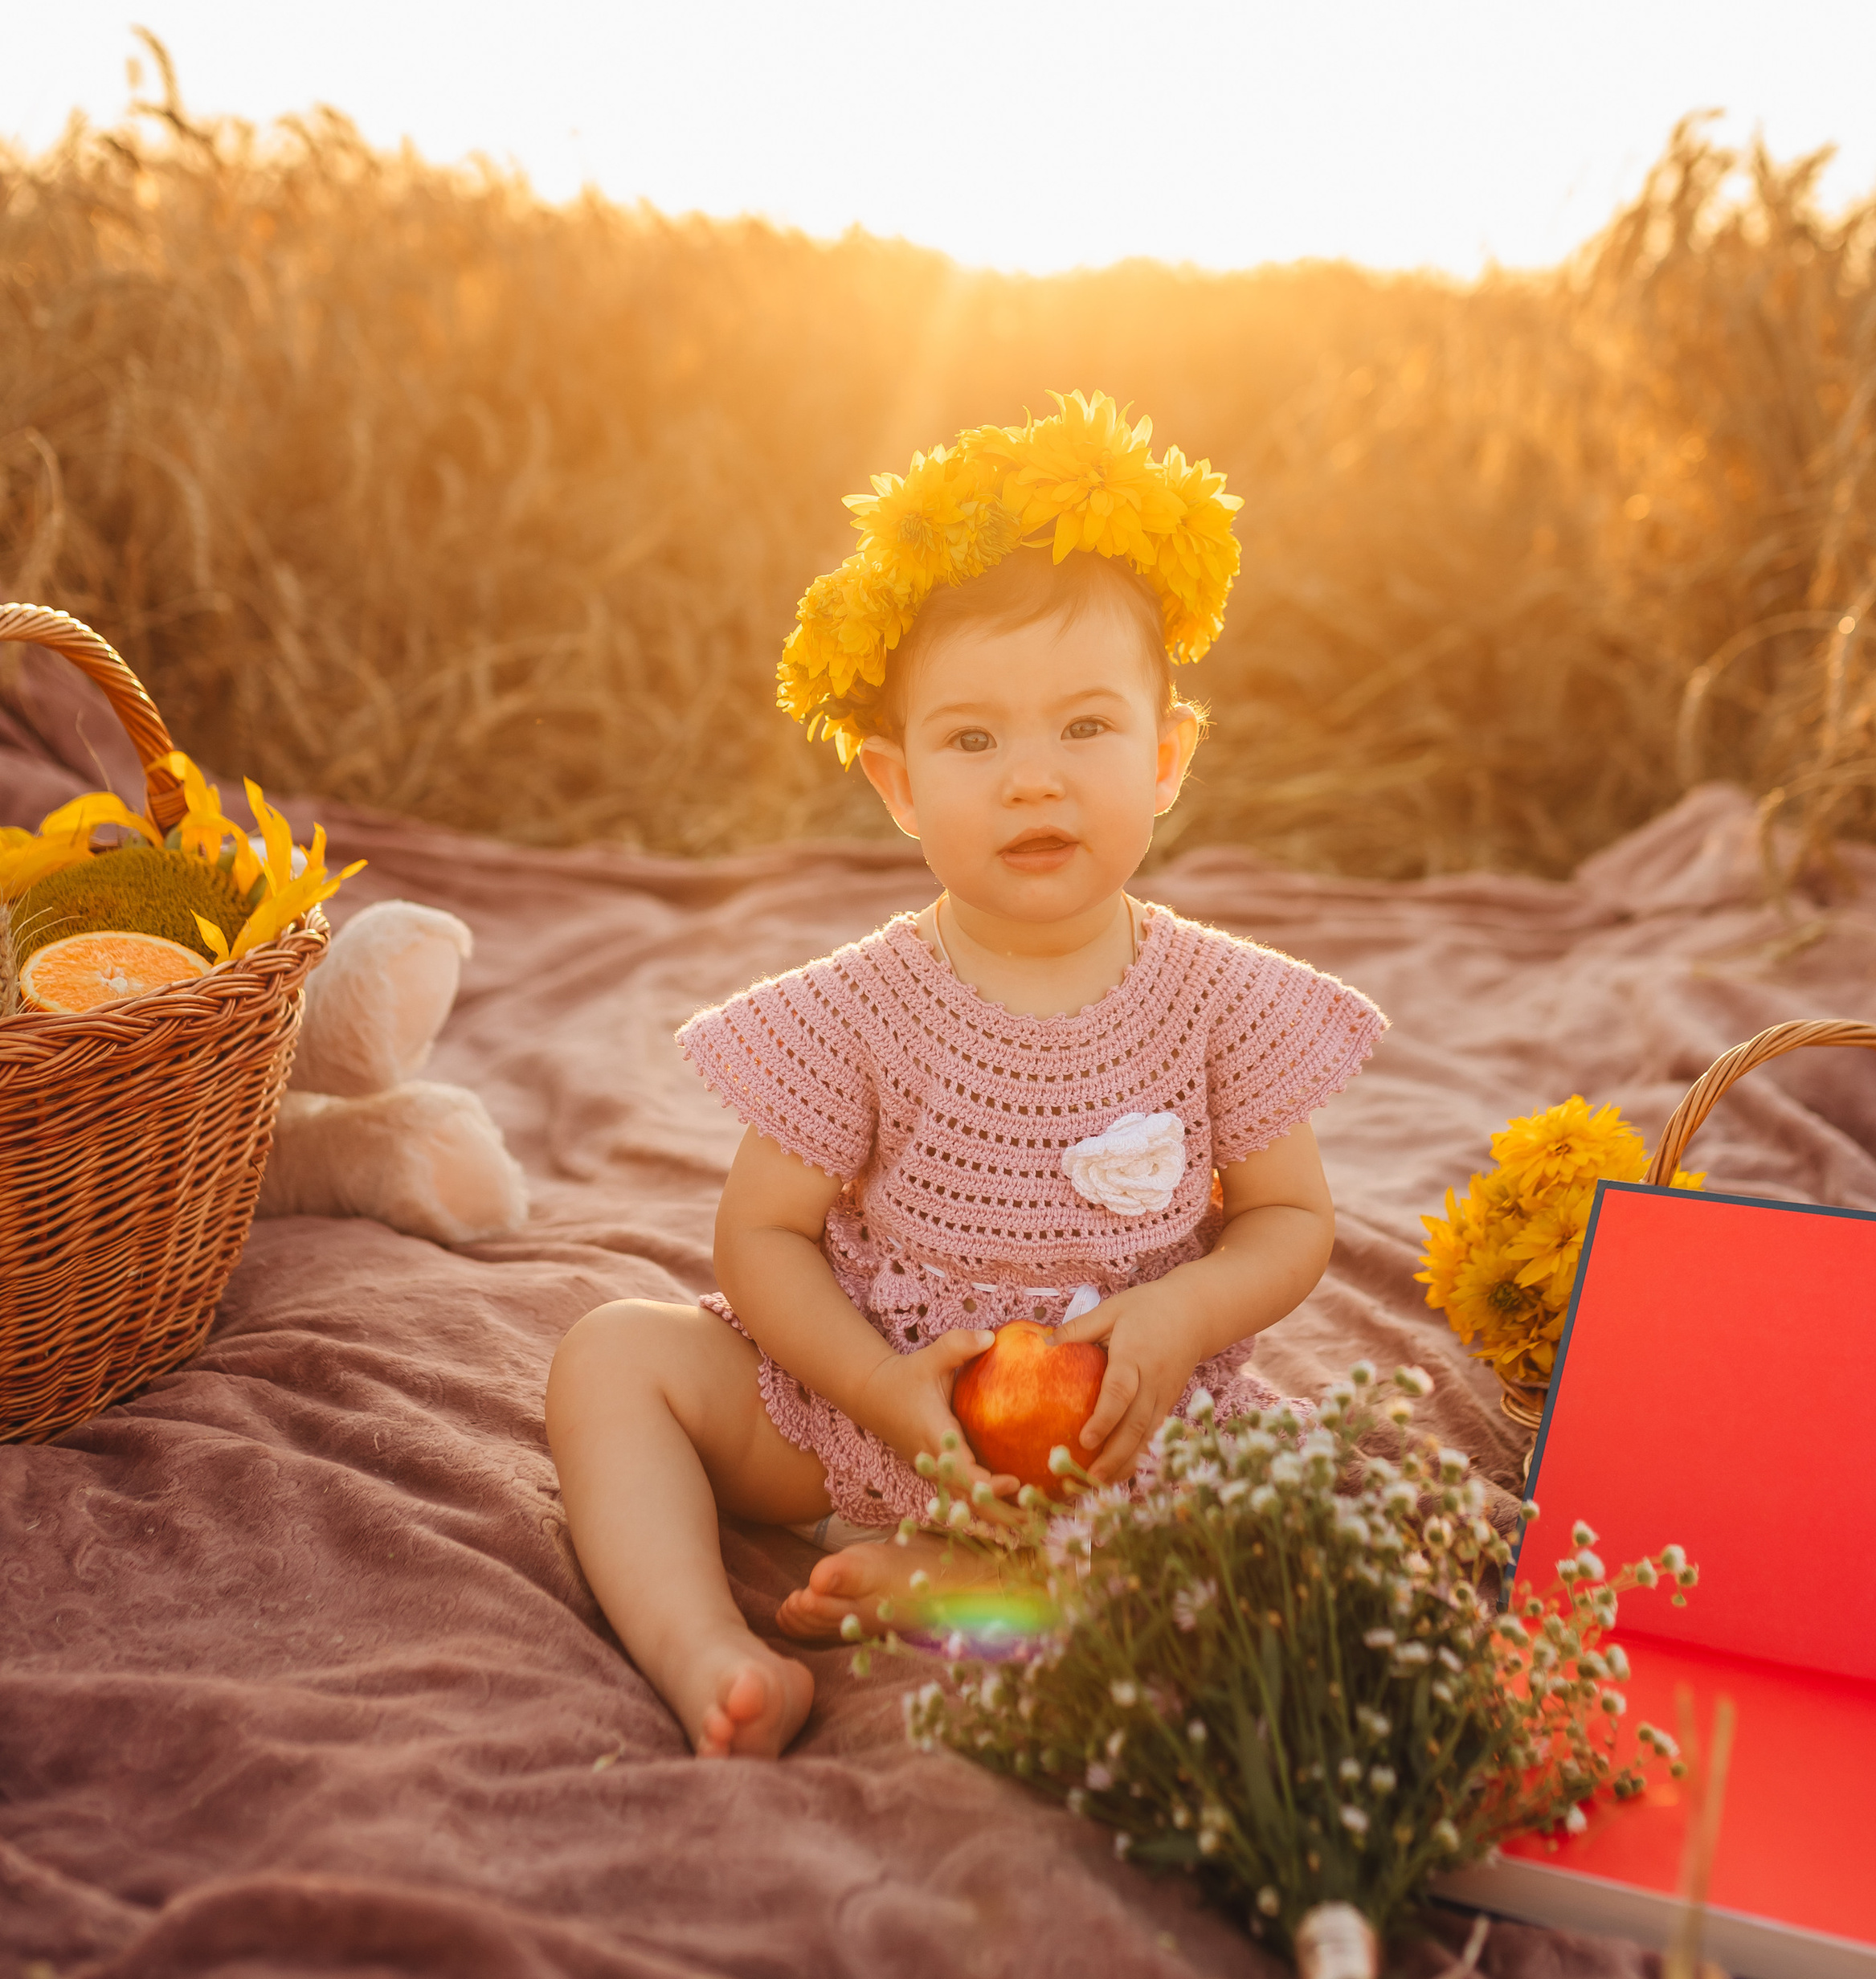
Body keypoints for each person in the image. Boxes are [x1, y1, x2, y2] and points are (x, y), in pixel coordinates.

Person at [547, 395, 1385, 1756]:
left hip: (1125, 1441)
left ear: (1167, 757)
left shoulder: (1218, 997)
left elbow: (1294, 1222)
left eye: (1086, 731)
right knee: (608, 1362)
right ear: (896, 784)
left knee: (1295, 1551)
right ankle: (705, 1648)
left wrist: (1177, 1323)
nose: (1032, 784)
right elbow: (759, 1238)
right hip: (870, 1414)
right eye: (975, 742)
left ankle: (1004, 1586)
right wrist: (881, 1396)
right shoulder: (863, 1006)